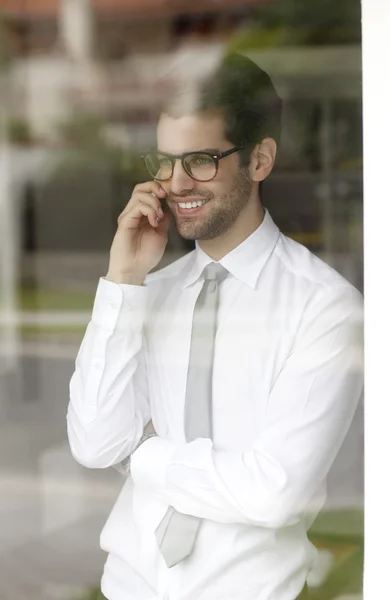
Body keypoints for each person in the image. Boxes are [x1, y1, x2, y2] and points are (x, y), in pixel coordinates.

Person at [67, 53, 363, 600]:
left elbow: (275, 493)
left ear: (260, 161)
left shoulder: (325, 308)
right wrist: (123, 279)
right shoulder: (146, 292)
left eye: (200, 159)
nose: (177, 183)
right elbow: (93, 442)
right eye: (164, 160)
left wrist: (143, 457)